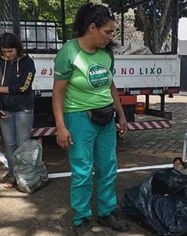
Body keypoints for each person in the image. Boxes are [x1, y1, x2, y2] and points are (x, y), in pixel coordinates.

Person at [52, 3, 129, 235]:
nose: (110, 37)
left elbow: (110, 85)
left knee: (108, 167)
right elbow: (58, 93)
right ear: (92, 27)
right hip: (79, 119)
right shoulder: (69, 52)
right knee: (82, 171)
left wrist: (122, 114)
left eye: (112, 32)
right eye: (107, 31)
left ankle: (107, 212)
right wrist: (61, 127)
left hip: (106, 118)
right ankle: (81, 218)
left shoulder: (106, 53)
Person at [0, 32, 36, 189]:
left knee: (22, 145)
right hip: (5, 111)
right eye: (4, 52)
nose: (7, 55)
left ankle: (25, 177)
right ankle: (12, 175)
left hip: (24, 109)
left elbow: (24, 87)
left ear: (17, 48)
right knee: (10, 145)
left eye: (10, 51)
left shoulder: (27, 62)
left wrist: (0, 90)